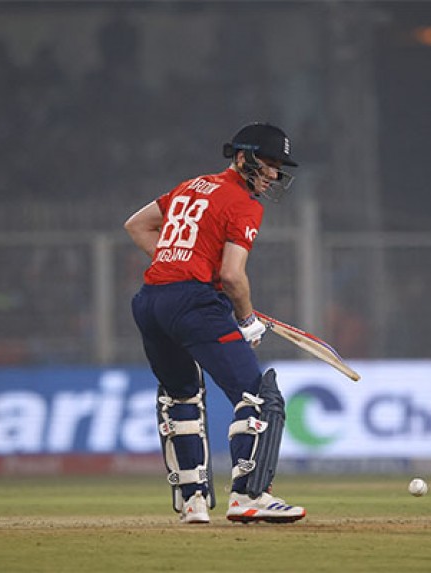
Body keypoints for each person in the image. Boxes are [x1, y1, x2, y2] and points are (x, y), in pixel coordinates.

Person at [124, 122, 306, 524]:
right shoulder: (244, 203)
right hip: (193, 304)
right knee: (257, 396)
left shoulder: (189, 186)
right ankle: (249, 495)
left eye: (278, 167)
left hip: (151, 302)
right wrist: (247, 319)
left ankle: (193, 502)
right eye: (268, 163)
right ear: (242, 157)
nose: (273, 174)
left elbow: (136, 225)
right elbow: (232, 276)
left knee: (181, 398)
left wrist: (178, 263)